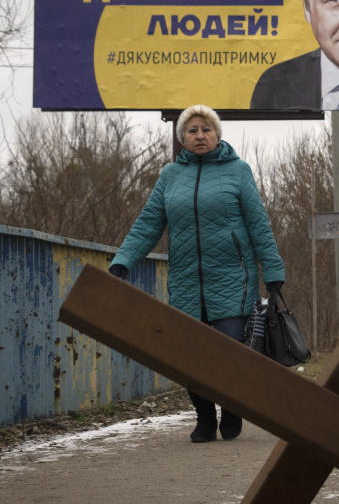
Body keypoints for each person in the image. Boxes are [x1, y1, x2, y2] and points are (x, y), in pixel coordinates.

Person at [107, 104, 285, 443]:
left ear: (217, 134)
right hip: (186, 281)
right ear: (183, 138)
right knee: (190, 353)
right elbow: (148, 224)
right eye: (192, 130)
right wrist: (123, 261)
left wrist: (273, 270)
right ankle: (204, 417)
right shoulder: (170, 177)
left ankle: (232, 408)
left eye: (206, 129)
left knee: (228, 350)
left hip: (234, 277)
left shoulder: (238, 171)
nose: (199, 135)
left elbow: (258, 224)